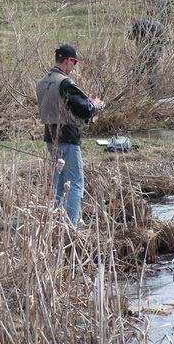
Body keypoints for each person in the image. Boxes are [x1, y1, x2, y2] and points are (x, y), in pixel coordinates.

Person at [35, 45, 104, 228]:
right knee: (74, 184)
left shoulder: (42, 82)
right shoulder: (65, 82)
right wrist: (97, 105)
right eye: (74, 63)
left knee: (59, 184)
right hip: (69, 138)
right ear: (67, 61)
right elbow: (86, 109)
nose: (74, 67)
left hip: (50, 138)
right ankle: (71, 227)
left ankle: (58, 225)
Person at [128, 18, 166, 92]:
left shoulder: (139, 22)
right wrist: (160, 50)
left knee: (137, 73)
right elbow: (163, 41)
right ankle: (152, 94)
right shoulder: (158, 25)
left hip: (140, 52)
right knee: (152, 73)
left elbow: (130, 37)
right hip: (153, 53)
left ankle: (132, 91)